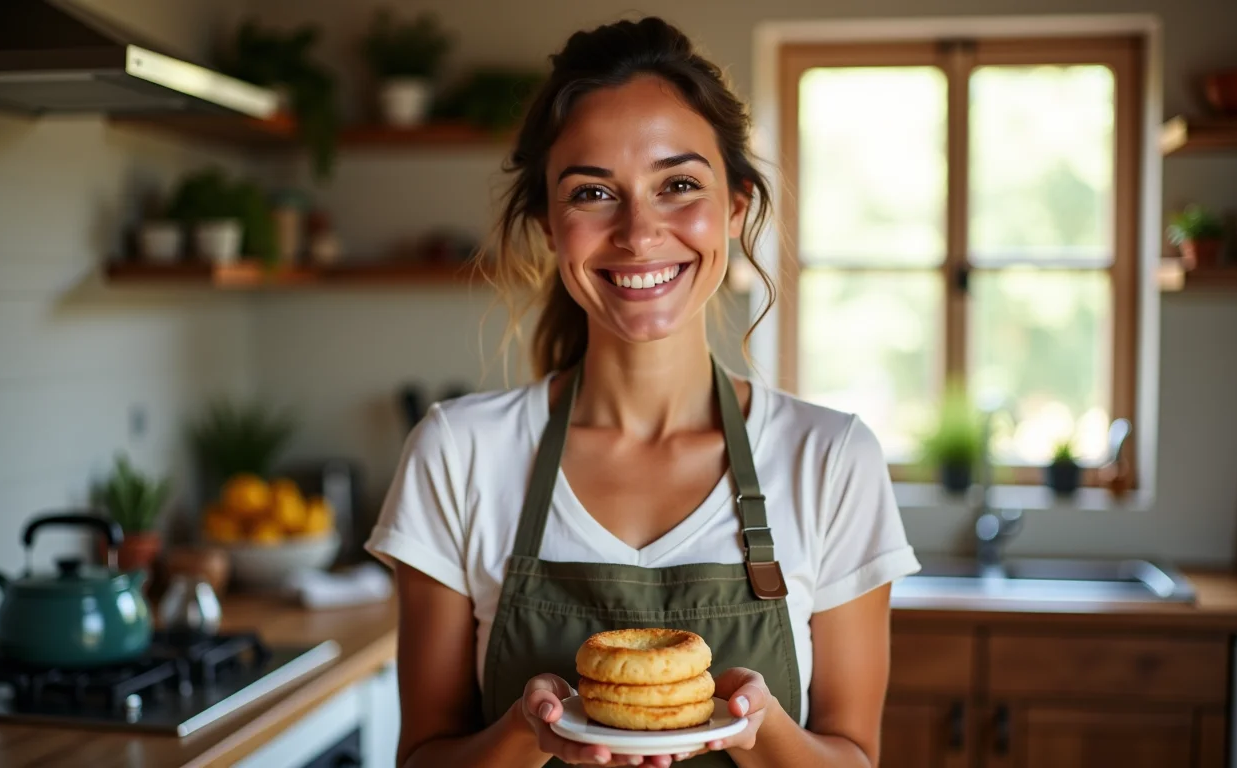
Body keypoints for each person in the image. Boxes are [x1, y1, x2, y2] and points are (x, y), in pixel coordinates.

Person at [365, 16, 921, 768]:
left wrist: (760, 729)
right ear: (549, 225)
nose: (638, 232)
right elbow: (422, 758)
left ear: (736, 206)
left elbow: (855, 756)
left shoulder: (831, 459)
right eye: (594, 193)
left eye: (679, 185)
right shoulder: (458, 452)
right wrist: (527, 737)